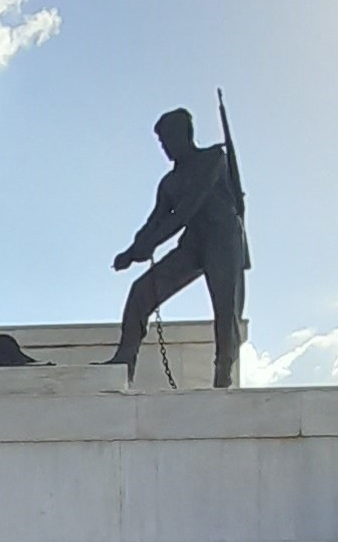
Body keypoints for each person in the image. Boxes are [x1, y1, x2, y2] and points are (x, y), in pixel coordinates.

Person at [103, 108, 248, 388]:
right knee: (141, 291)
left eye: (168, 138)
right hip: (194, 242)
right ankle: (124, 360)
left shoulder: (214, 158)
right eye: (161, 142)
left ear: (186, 134)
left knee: (225, 305)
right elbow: (155, 220)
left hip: (223, 238)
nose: (165, 146)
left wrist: (145, 246)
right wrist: (132, 251)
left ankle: (223, 365)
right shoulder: (169, 182)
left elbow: (185, 210)